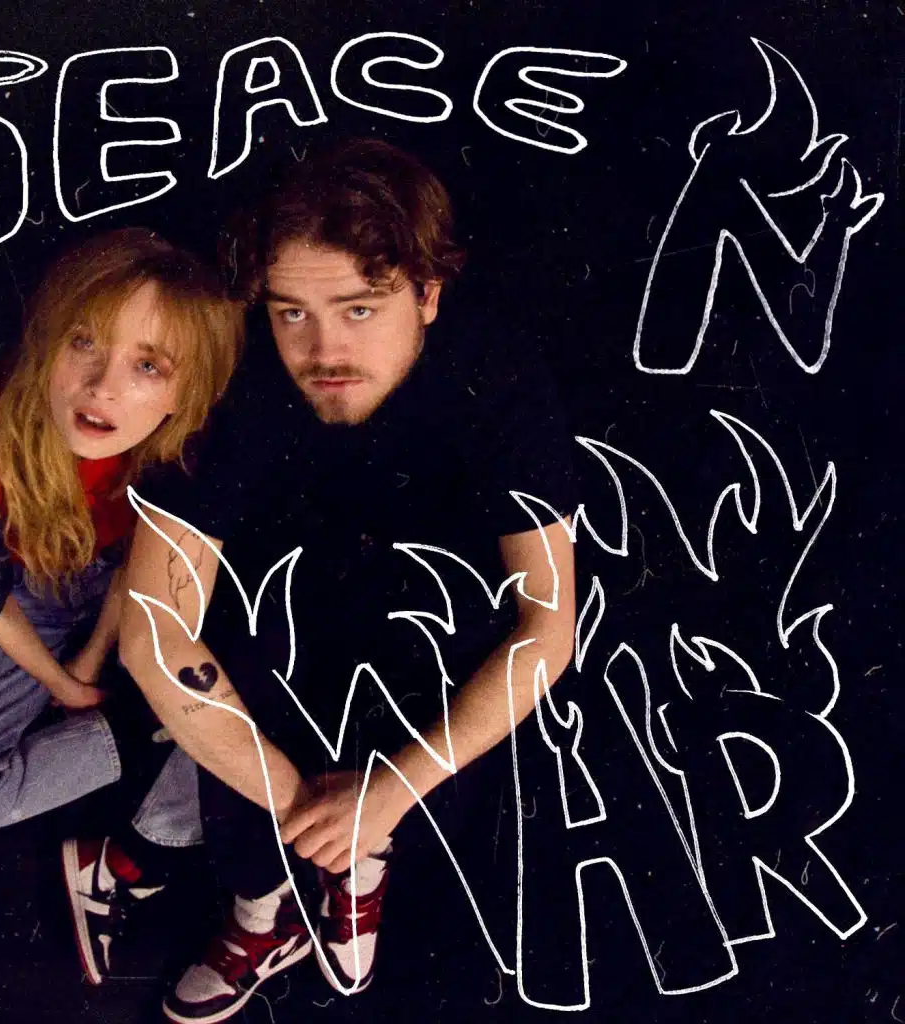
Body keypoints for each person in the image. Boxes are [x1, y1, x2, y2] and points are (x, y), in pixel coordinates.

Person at [117, 139, 578, 1023]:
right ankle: (265, 908)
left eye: (360, 309)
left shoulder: (495, 370)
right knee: (237, 645)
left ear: (427, 294)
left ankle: (364, 864)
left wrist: (388, 794)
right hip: (280, 629)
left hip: (424, 633)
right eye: (292, 312)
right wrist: (311, 813)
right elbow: (152, 630)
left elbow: (547, 626)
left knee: (455, 641)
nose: (322, 348)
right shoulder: (239, 371)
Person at [0, 227, 243, 985]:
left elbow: (140, 572)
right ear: (46, 339)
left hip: (135, 586)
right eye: (83, 341)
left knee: (246, 706)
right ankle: (152, 736)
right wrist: (65, 683)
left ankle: (146, 806)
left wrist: (96, 661)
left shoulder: (184, 447)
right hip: (32, 598)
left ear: (184, 391)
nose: (102, 387)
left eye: (147, 366)